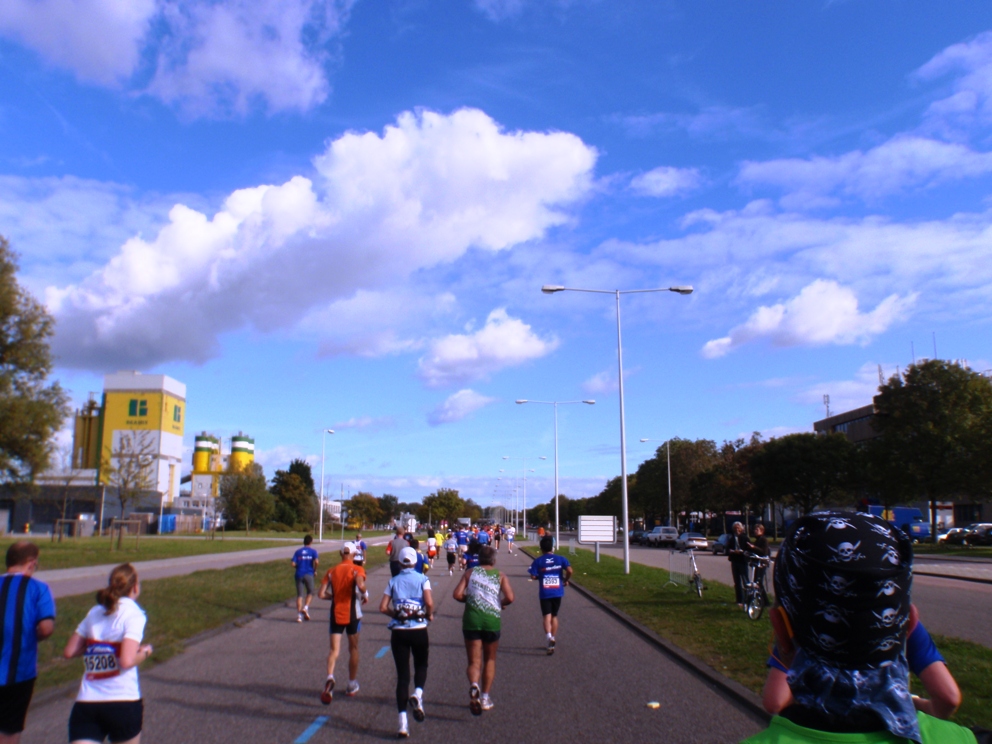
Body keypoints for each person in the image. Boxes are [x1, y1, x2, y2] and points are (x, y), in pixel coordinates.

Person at [742, 511, 977, 744]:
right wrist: (917, 704)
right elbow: (949, 698)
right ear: (909, 624)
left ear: (781, 630)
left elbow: (774, 702)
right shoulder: (962, 739)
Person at [63, 564, 152, 744]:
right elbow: (126, 661)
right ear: (135, 587)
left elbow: (69, 651)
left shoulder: (95, 612)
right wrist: (145, 652)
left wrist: (96, 647)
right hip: (123, 702)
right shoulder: (134, 614)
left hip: (87, 703)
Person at [1, 542, 55, 744]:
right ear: (31, 564)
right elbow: (46, 628)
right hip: (19, 672)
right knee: (9, 730)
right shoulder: (38, 589)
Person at [453, 546, 513, 715]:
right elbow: (510, 597)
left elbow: (457, 594)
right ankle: (485, 697)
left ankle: (474, 686)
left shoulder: (470, 573)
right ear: (494, 560)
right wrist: (498, 603)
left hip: (472, 621)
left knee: (473, 661)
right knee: (490, 660)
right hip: (491, 621)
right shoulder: (500, 576)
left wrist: (472, 598)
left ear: (479, 559)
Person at [380, 547, 434, 738]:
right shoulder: (422, 579)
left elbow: (382, 606)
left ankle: (402, 723)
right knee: (422, 665)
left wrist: (395, 614)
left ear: (400, 562)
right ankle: (418, 694)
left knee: (402, 677)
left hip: (399, 631)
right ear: (415, 562)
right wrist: (429, 614)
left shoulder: (393, 581)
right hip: (419, 629)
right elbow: (429, 602)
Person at [317, 542, 367, 704]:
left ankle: (330, 677)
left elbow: (321, 594)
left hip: (336, 613)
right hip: (353, 614)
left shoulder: (331, 571)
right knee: (353, 648)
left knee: (334, 649)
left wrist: (333, 596)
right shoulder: (357, 569)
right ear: (353, 555)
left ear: (341, 554)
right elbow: (360, 584)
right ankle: (352, 683)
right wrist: (364, 593)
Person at [527, 536, 572, 655]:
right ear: (552, 547)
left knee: (546, 616)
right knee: (554, 616)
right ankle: (553, 637)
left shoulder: (538, 561)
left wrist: (538, 577)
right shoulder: (561, 559)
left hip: (545, 592)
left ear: (541, 548)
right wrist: (566, 580)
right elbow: (570, 570)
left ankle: (549, 637)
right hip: (557, 591)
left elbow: (532, 576)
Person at [291, 535, 319, 622]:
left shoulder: (298, 551)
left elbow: (293, 563)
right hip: (309, 573)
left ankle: (299, 616)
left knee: (300, 595)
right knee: (310, 592)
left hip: (299, 574)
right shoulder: (313, 551)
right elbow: (317, 562)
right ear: (311, 542)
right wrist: (315, 570)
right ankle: (306, 608)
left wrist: (298, 567)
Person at [726, 522, 748, 607]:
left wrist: (742, 551)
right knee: (737, 582)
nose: (737, 530)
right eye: (735, 528)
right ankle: (739, 600)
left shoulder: (745, 538)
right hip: (734, 561)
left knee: (745, 581)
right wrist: (731, 551)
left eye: (738, 528)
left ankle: (747, 599)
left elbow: (748, 548)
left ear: (741, 529)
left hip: (742, 561)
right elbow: (728, 548)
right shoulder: (731, 538)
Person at [747, 523, 770, 600]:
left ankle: (765, 600)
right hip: (757, 562)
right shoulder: (757, 540)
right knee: (755, 581)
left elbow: (764, 552)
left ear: (762, 531)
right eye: (755, 530)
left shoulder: (764, 540)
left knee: (759, 581)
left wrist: (754, 547)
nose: (755, 531)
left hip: (762, 563)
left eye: (757, 530)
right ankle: (758, 598)